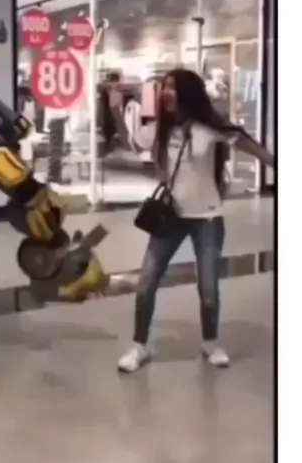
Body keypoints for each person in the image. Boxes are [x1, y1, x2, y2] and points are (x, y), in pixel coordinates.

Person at [108, 68, 274, 373]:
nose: (166, 92)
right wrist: (116, 111)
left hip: (207, 218)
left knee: (208, 289)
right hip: (170, 218)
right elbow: (132, 143)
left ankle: (210, 343)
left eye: (172, 87)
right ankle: (139, 346)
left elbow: (246, 144)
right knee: (146, 284)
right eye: (164, 87)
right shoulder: (159, 129)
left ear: (187, 93)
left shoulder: (208, 128)